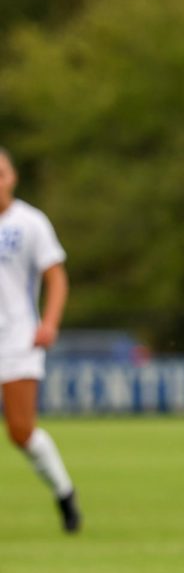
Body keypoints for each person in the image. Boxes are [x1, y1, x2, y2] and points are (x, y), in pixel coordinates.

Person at [0, 147, 80, 533]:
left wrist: (49, 322)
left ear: (12, 177)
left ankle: (64, 493)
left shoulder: (30, 223)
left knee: (20, 431)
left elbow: (56, 276)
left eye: (1, 173)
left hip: (17, 340)